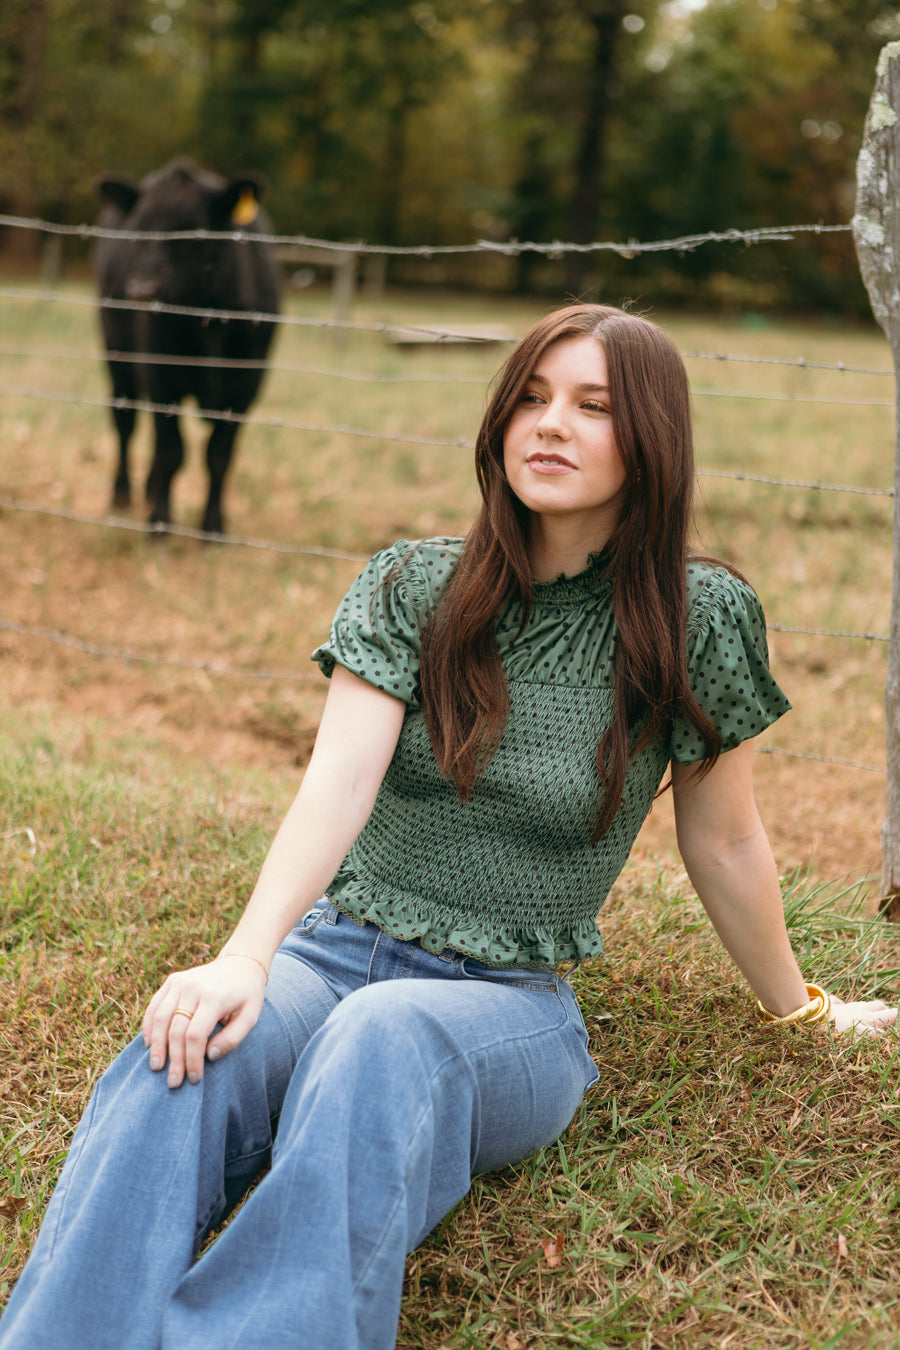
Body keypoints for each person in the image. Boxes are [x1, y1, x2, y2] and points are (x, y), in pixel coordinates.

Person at [0, 303, 895, 1350]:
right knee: (182, 1052)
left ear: (652, 439)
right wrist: (247, 956)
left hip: (504, 1004)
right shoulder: (414, 586)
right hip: (330, 959)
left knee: (381, 1037)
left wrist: (802, 1010)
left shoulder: (697, 619)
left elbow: (726, 839)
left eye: (593, 406)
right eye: (532, 397)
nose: (549, 423)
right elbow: (336, 784)